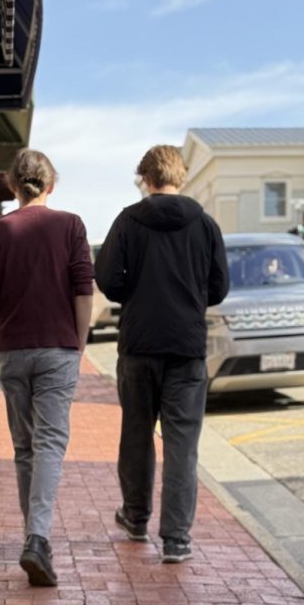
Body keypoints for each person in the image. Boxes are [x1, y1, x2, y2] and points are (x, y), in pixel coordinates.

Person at [95, 145, 229, 563]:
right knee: (182, 446)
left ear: (145, 178)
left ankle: (135, 518)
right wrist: (188, 299)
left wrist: (137, 289)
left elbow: (108, 281)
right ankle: (176, 539)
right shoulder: (204, 225)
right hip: (187, 349)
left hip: (138, 346)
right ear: (181, 176)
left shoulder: (128, 221)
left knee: (136, 435)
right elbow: (219, 287)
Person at [0, 149, 94, 587]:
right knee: (49, 446)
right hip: (57, 348)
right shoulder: (70, 225)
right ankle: (38, 538)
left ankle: (34, 538)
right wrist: (79, 342)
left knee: (25, 448)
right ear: (51, 185)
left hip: (12, 349)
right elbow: (84, 287)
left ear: (11, 185)